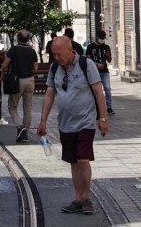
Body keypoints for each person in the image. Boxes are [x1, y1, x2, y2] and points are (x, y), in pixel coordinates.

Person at [37, 36, 108, 215]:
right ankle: (77, 199)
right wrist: (43, 120)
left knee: (83, 159)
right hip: (65, 123)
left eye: (59, 54)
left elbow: (99, 92)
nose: (56, 57)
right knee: (73, 161)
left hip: (86, 121)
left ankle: (87, 198)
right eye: (54, 54)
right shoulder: (55, 68)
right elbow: (49, 95)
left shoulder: (86, 65)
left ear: (70, 50)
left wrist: (103, 119)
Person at [2, 30, 38, 142]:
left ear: (17, 39)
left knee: (12, 107)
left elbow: (4, 65)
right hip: (30, 81)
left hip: (17, 81)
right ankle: (24, 134)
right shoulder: (32, 52)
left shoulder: (13, 50)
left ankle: (20, 126)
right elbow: (35, 68)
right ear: (27, 40)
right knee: (27, 108)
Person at [86, 30, 114, 114]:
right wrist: (97, 64)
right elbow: (88, 59)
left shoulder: (106, 47)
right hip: (93, 71)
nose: (102, 40)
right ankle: (94, 106)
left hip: (104, 71)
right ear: (97, 37)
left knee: (107, 89)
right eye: (100, 38)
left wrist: (108, 55)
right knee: (94, 90)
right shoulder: (91, 47)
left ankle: (109, 107)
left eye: (103, 38)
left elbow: (109, 60)